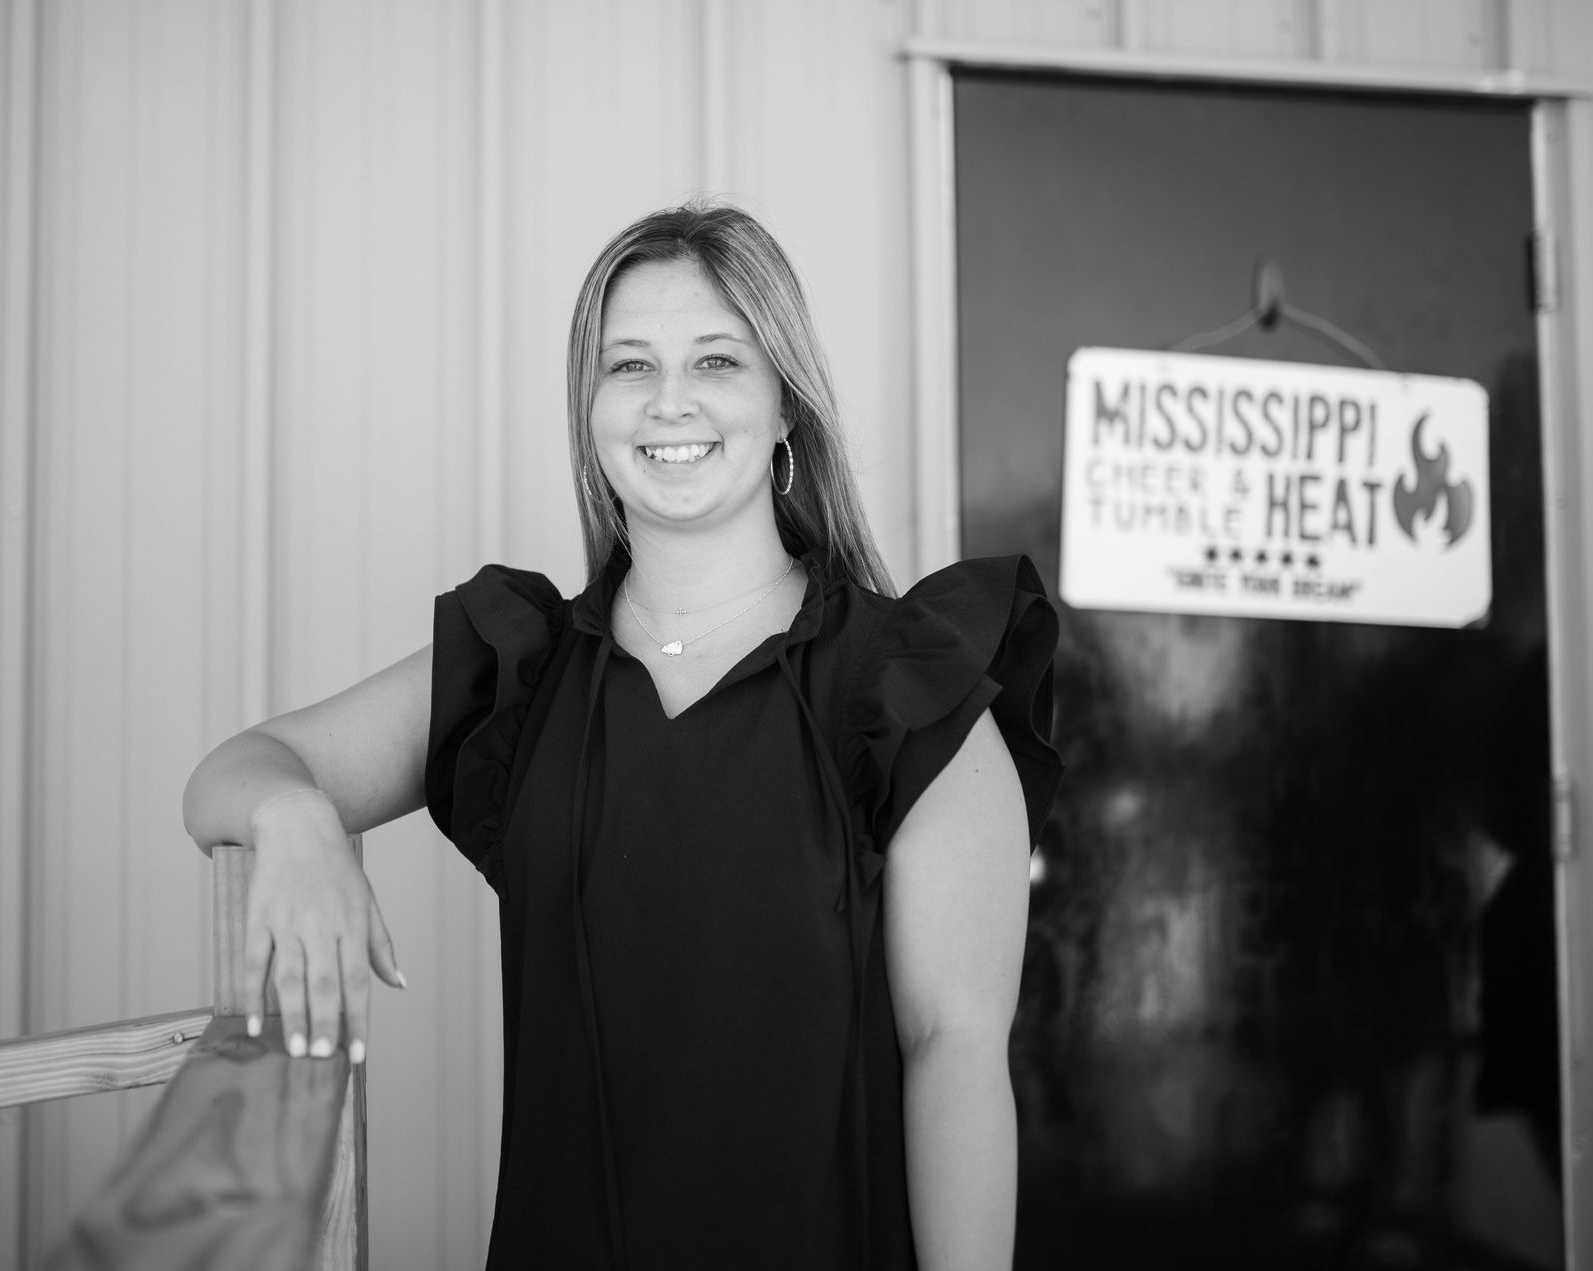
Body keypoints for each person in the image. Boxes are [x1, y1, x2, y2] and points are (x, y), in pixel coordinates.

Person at [182, 202, 1062, 1270]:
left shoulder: (902, 688)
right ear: (589, 409)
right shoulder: (526, 671)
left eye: (718, 360)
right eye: (629, 365)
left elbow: (955, 1055)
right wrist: (296, 818)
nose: (671, 399)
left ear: (787, 405)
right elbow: (232, 772)